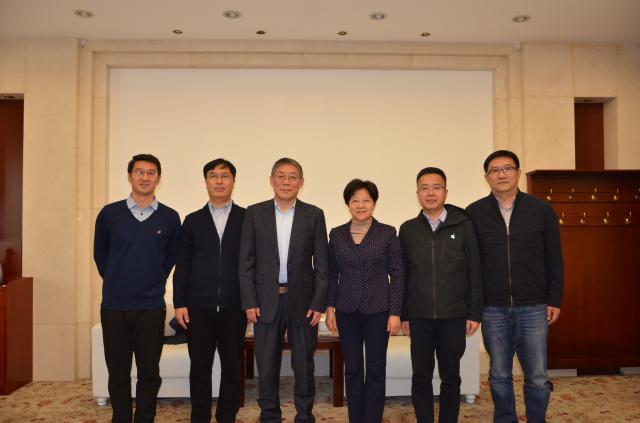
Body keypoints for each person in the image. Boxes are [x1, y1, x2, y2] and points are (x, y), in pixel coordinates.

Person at [466, 150, 563, 423]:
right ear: (487, 177)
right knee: (499, 374)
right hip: (492, 307)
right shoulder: (474, 213)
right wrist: (473, 306)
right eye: (495, 170)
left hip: (533, 306)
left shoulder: (541, 210)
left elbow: (554, 258)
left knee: (537, 376)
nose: (501, 174)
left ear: (518, 173)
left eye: (507, 168)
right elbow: (470, 264)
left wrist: (554, 299)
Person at [238, 157, 329, 423]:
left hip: (303, 301)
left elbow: (322, 264)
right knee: (266, 365)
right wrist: (249, 301)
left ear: (301, 182)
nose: (286, 182)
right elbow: (246, 261)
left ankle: (305, 416)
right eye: (281, 176)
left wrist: (318, 303)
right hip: (265, 300)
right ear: (271, 180)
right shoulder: (254, 213)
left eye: (292, 177)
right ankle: (269, 416)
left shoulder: (314, 214)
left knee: (303, 365)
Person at [94, 153, 181, 423]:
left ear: (158, 178)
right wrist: (118, 280)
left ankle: (145, 418)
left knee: (149, 372)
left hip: (151, 307)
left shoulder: (169, 217)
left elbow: (170, 258)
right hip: (114, 306)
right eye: (139, 172)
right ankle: (120, 418)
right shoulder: (109, 214)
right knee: (118, 372)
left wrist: (152, 281)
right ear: (130, 176)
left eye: (151, 173)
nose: (145, 177)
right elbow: (100, 255)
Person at [399, 167, 483, 423]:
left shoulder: (463, 226)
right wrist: (404, 314)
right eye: (424, 188)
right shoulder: (408, 229)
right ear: (417, 193)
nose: (430, 193)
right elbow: (403, 275)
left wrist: (474, 313)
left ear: (445, 192)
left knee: (451, 377)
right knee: (421, 376)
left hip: (453, 315)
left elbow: (474, 270)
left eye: (436, 187)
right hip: (420, 316)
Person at [172, 158, 247, 423]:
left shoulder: (247, 218)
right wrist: (179, 303)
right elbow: (182, 265)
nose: (219, 181)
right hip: (198, 307)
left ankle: (227, 416)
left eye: (225, 176)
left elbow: (255, 264)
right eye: (213, 176)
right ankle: (200, 417)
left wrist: (252, 301)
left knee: (233, 368)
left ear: (233, 181)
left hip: (235, 306)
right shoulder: (192, 221)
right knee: (200, 368)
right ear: (206, 182)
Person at [324, 179, 403, 423]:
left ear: (374, 202)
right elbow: (331, 274)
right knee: (352, 368)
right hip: (346, 310)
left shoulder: (387, 233)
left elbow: (397, 273)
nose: (360, 205)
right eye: (355, 200)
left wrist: (395, 312)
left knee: (376, 370)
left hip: (379, 309)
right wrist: (330, 307)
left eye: (366, 200)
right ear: (348, 204)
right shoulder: (337, 234)